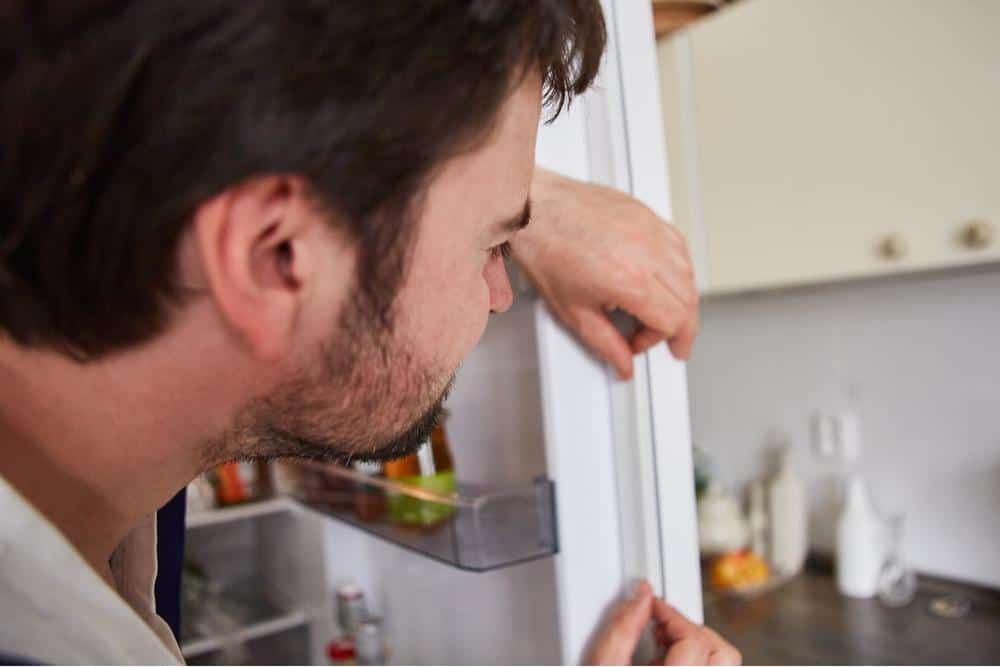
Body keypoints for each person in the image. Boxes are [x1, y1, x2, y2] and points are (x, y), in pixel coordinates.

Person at [0, 2, 734, 665]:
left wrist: (526, 200)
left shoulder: (105, 493)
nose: (500, 294)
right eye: (491, 244)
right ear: (277, 257)